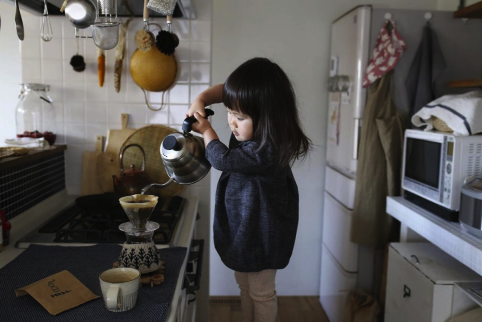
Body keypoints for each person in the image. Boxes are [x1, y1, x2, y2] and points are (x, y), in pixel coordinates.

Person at [187, 57, 312, 322]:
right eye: (229, 112)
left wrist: (207, 129)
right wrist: (202, 98)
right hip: (245, 229)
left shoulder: (268, 147)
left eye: (239, 117)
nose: (231, 122)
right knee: (244, 285)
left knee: (262, 292)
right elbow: (226, 91)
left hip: (263, 236)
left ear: (269, 117)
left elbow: (222, 159)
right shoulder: (254, 130)